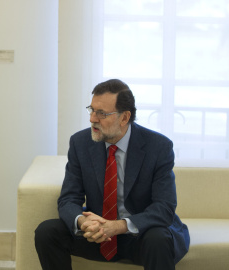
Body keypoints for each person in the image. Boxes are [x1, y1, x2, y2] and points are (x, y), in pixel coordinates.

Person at [35, 79, 190, 270]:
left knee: (158, 239)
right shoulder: (80, 143)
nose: (92, 118)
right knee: (47, 232)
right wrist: (83, 222)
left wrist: (119, 226)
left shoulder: (158, 147)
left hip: (139, 235)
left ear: (124, 118)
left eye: (101, 114)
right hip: (98, 235)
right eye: (91, 110)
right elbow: (68, 198)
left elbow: (164, 208)